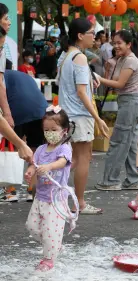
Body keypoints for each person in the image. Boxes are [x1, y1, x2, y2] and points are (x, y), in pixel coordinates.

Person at [58, 18, 109, 214]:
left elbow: (72, 83)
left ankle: (51, 185)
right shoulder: (79, 57)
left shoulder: (65, 56)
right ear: (80, 36)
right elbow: (80, 92)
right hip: (79, 115)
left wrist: (91, 78)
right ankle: (79, 202)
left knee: (70, 159)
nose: (94, 38)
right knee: (82, 159)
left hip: (66, 114)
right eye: (92, 34)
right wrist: (97, 118)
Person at [24, 106, 73, 272]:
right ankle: (54, 245)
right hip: (40, 197)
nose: (50, 132)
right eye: (46, 129)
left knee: (51, 232)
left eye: (54, 129)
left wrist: (49, 166)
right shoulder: (40, 149)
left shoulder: (64, 148)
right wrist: (30, 171)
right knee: (32, 226)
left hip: (56, 200)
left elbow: (61, 162)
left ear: (64, 131)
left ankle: (48, 259)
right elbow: (33, 164)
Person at [94, 30, 138, 191]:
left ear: (129, 44)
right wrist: (108, 68)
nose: (116, 46)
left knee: (118, 142)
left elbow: (119, 84)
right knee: (129, 144)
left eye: (119, 43)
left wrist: (99, 78)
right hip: (128, 102)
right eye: (114, 43)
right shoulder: (121, 59)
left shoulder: (130, 61)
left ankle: (111, 180)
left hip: (130, 103)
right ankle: (134, 179)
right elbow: (112, 83)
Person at [3, 70, 48, 202]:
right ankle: (32, 190)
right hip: (40, 110)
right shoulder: (21, 75)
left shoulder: (2, 77)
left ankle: (9, 191)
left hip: (16, 110)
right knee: (36, 149)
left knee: (9, 147)